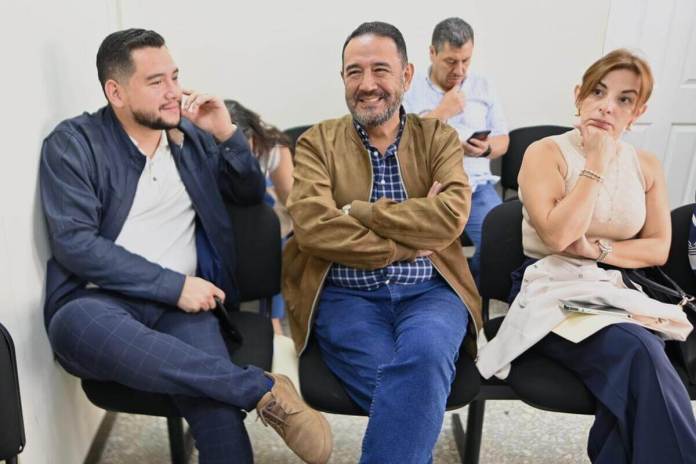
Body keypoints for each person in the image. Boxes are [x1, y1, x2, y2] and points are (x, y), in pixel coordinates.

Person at [40, 29, 331, 464]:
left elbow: (250, 193)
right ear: (115, 92)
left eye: (175, 77)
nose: (174, 92)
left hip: (186, 307)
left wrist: (225, 131)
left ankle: (247, 392)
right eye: (157, 82)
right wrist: (173, 285)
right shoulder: (74, 143)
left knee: (216, 413)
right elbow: (76, 244)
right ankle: (262, 390)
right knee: (72, 328)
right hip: (96, 304)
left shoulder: (188, 138)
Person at [476, 49, 696, 463]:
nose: (607, 106)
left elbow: (658, 248)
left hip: (619, 289)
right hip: (552, 288)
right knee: (640, 354)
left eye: (624, 100)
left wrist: (600, 249)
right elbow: (559, 234)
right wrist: (596, 162)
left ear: (638, 112)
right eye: (598, 91)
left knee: (636, 379)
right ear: (578, 96)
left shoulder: (646, 165)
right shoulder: (546, 152)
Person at [283, 21, 481, 464]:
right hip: (345, 294)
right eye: (354, 72)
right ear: (342, 80)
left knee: (425, 361)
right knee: (411, 389)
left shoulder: (439, 138)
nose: (367, 85)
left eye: (380, 70)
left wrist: (362, 212)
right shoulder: (317, 142)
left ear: (407, 75)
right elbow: (314, 227)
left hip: (430, 291)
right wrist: (406, 243)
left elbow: (450, 215)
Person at [403, 17, 509, 280]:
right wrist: (442, 112)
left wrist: (484, 149)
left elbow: (503, 141)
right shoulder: (409, 88)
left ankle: (466, 288)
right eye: (451, 61)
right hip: (427, 187)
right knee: (423, 244)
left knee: (500, 238)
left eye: (466, 61)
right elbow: (402, 140)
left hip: (476, 186)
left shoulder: (483, 86)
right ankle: (441, 287)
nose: (460, 70)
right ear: (432, 53)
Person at [225, 99, 294, 335]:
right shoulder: (206, 147)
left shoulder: (274, 148)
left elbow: (291, 199)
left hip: (265, 209)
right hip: (227, 213)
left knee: (273, 236)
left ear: (253, 136)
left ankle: (274, 317)